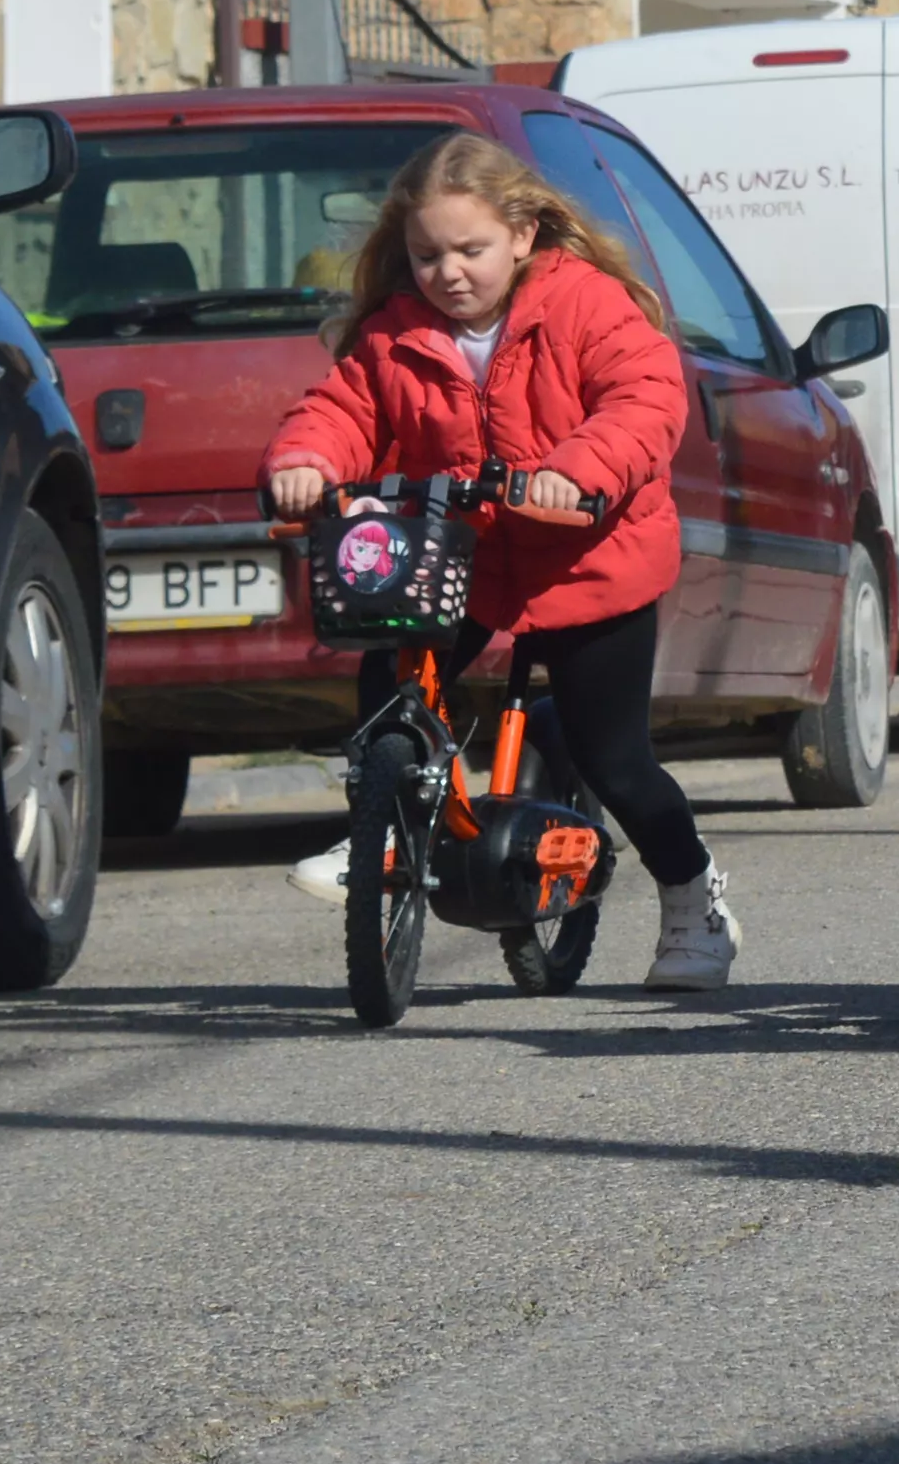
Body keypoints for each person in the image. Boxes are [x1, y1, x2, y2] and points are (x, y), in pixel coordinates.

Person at [264, 133, 737, 986]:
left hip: (588, 557)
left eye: (470, 250)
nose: (448, 272)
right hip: (465, 556)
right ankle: (383, 822)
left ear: (522, 234)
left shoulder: (585, 305)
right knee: (391, 684)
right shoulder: (393, 333)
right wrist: (306, 464)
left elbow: (645, 398)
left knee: (616, 761)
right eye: (426, 255)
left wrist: (572, 473)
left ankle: (693, 900)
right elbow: (341, 411)